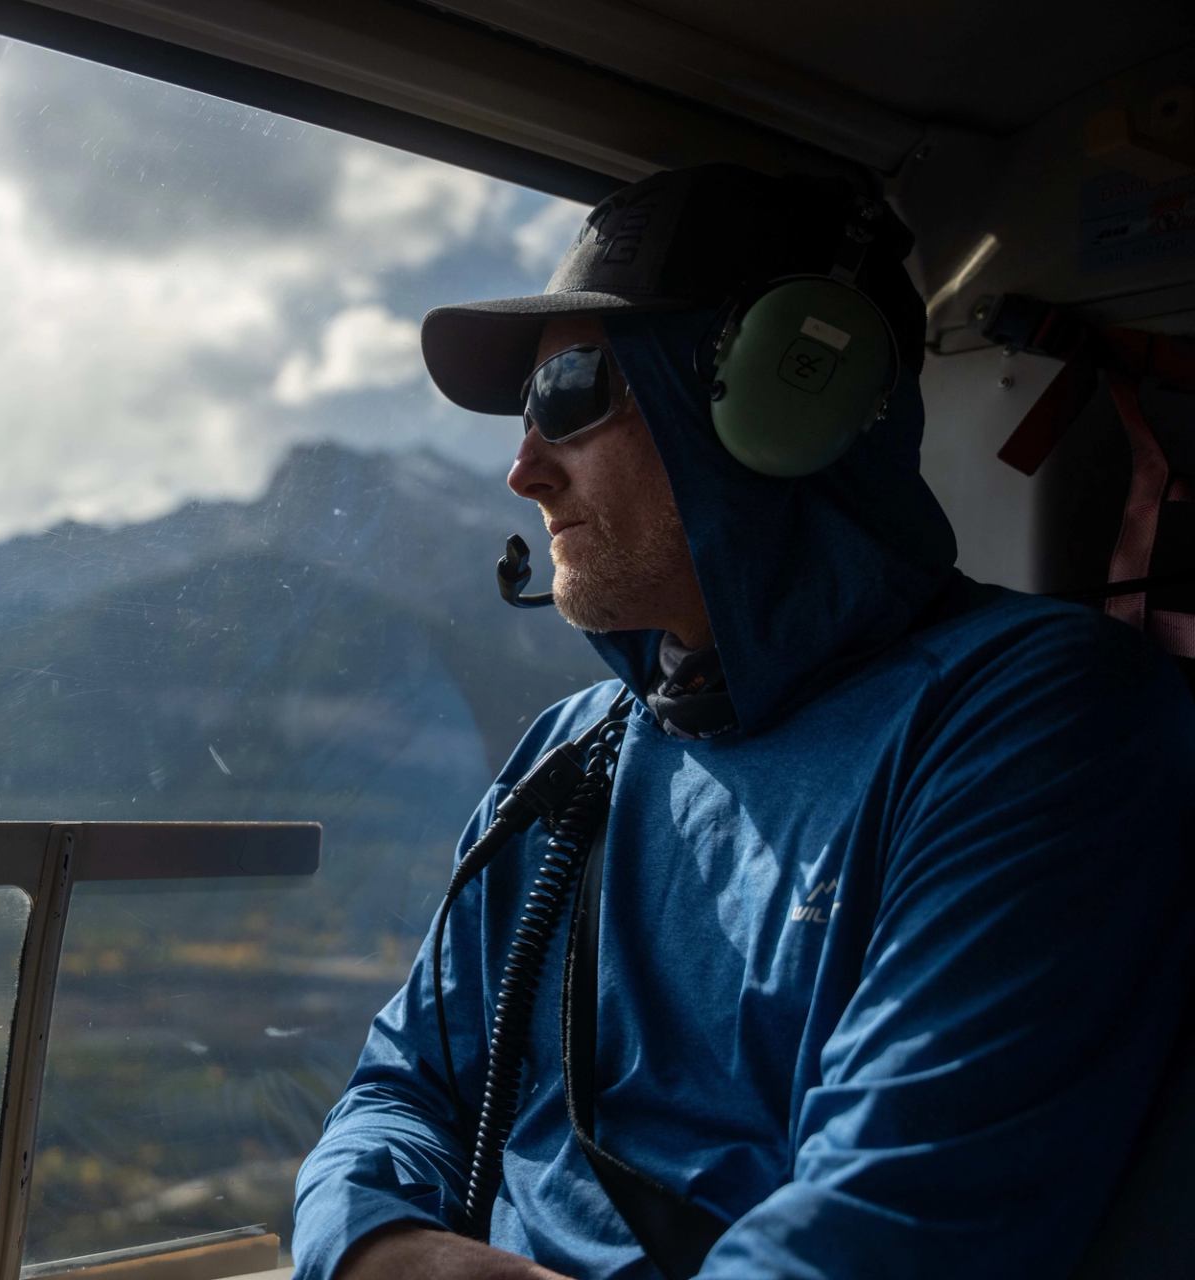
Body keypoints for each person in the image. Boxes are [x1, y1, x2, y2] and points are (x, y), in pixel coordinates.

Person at [289, 164, 1195, 1280]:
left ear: (784, 392)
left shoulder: (1033, 719)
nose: (523, 467)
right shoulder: (573, 750)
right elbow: (400, 1084)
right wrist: (384, 1246)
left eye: (569, 393)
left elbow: (885, 1227)